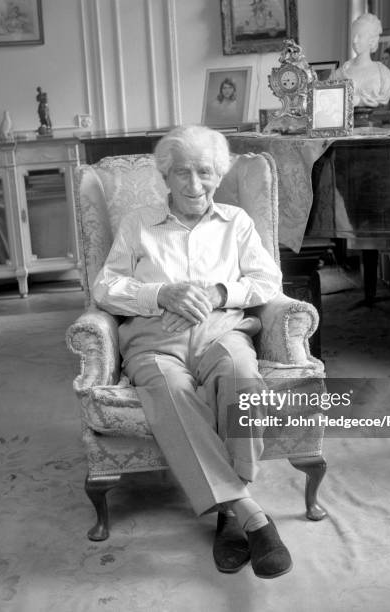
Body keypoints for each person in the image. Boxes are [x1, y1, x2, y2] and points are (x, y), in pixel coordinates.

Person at [93, 125, 292, 579]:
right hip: (154, 337)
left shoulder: (236, 222)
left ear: (219, 173)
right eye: (181, 173)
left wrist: (219, 292)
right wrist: (161, 294)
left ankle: (228, 511)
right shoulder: (137, 224)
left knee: (240, 372)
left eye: (205, 172)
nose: (194, 184)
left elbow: (268, 281)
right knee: (168, 387)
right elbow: (105, 288)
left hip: (220, 329)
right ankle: (250, 516)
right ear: (165, 175)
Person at [336, 13, 390, 107]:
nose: (354, 41)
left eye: (359, 36)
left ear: (372, 40)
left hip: (374, 119)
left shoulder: (383, 74)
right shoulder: (342, 72)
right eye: (353, 36)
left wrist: (358, 101)